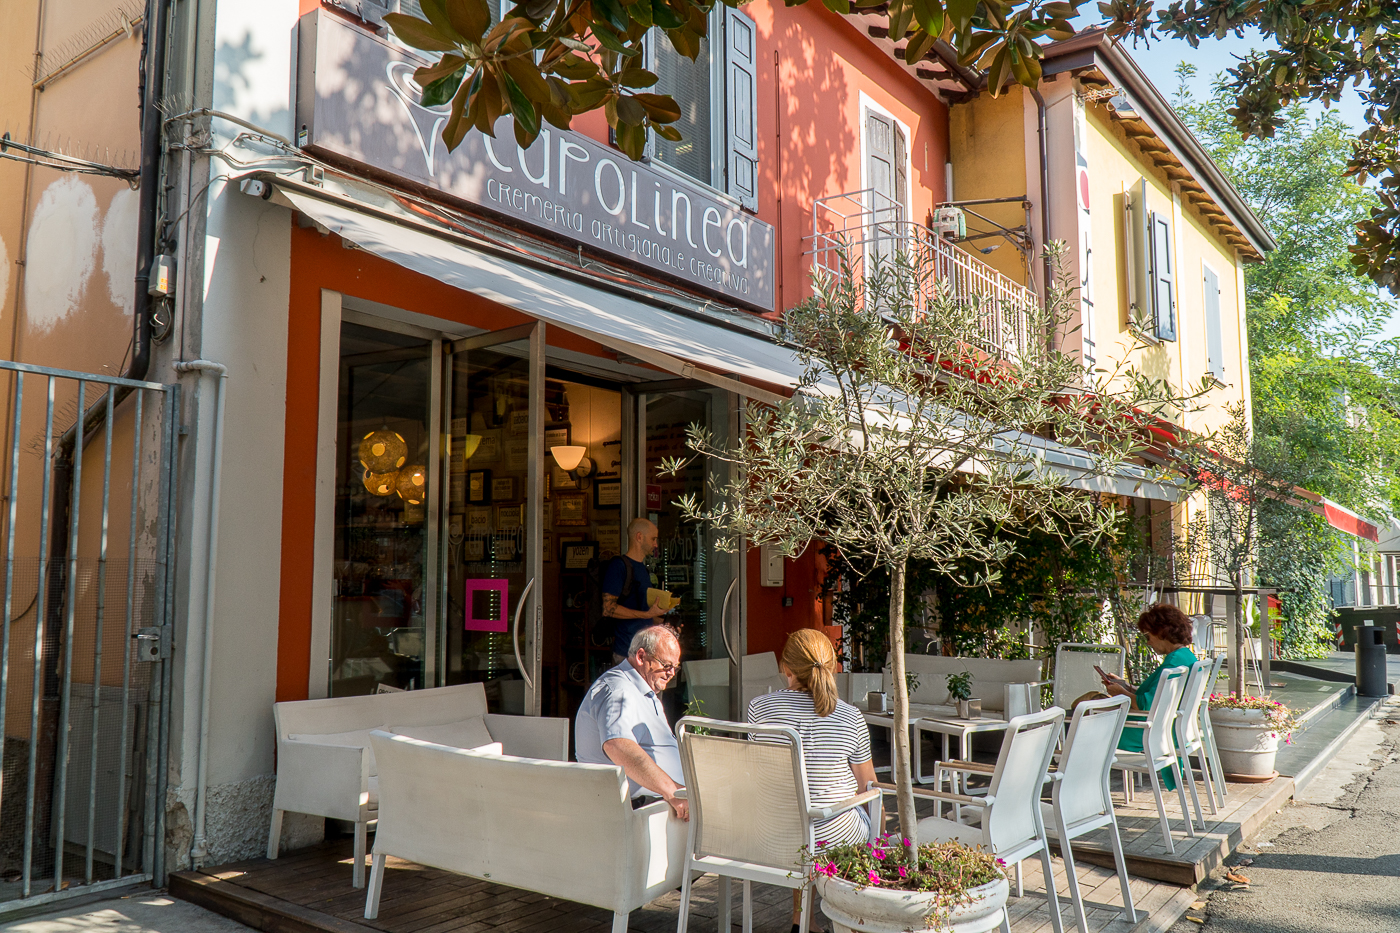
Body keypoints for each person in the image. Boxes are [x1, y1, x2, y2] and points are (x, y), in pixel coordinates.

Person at [747, 629, 876, 933]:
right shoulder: (850, 716)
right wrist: (878, 845)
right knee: (829, 817)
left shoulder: (760, 708)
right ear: (832, 667)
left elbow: (758, 772)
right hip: (835, 833)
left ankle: (802, 919)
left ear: (786, 668)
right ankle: (852, 916)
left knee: (797, 815)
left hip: (775, 834)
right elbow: (868, 788)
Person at [575, 623, 689, 820]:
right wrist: (673, 791)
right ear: (641, 657)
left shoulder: (641, 688)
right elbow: (617, 745)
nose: (671, 673)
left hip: (658, 806)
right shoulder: (620, 690)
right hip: (640, 811)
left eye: (675, 668)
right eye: (666, 665)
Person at [1100, 602, 1198, 790]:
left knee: (1081, 726)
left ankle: (1085, 790)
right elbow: (1159, 696)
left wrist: (1121, 693)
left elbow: (1145, 705)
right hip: (1166, 729)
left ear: (1162, 631)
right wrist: (1126, 686)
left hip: (1147, 732)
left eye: (1148, 635)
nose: (1148, 641)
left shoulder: (1173, 664)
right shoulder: (1185, 658)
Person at [602, 518, 671, 666]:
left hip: (645, 652)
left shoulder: (642, 569)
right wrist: (646, 615)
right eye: (653, 539)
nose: (655, 544)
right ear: (639, 537)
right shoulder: (618, 566)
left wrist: (663, 621)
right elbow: (608, 609)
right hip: (626, 652)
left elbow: (643, 613)